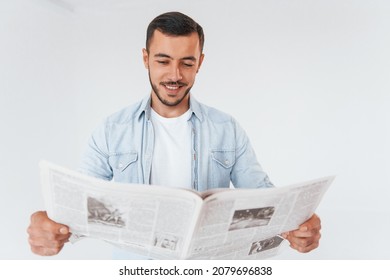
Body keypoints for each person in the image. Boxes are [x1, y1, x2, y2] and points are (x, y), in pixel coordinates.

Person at [27, 11, 322, 257]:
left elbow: (264, 201)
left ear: (200, 63)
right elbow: (82, 206)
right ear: (146, 59)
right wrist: (49, 224)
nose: (175, 75)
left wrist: (296, 226)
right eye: (163, 61)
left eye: (187, 63)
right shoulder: (111, 130)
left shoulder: (227, 129)